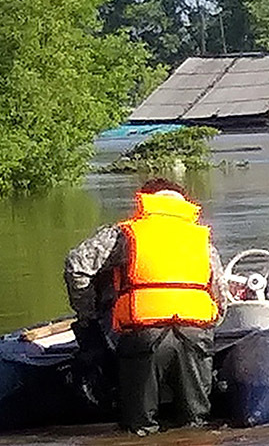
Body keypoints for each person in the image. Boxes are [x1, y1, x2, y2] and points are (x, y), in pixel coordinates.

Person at [64, 178, 225, 437]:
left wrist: (88, 315)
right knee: (196, 425)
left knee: (138, 427)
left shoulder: (124, 233)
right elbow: (219, 295)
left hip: (143, 333)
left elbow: (77, 265)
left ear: (144, 202)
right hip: (195, 334)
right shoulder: (201, 238)